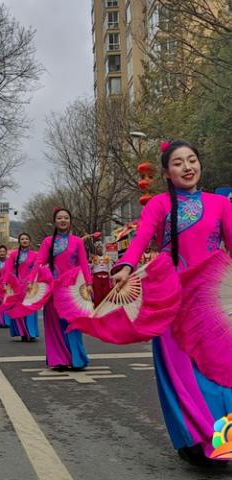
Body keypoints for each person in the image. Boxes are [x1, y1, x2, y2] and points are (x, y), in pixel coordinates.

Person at [111, 140, 232, 467]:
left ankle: (222, 439)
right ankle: (193, 440)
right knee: (180, 374)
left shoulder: (220, 204)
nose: (187, 167)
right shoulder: (160, 204)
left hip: (211, 302)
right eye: (178, 163)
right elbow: (141, 238)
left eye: (192, 160)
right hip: (171, 299)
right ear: (166, 172)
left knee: (219, 371)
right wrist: (126, 266)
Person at [36, 209, 92, 370]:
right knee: (54, 324)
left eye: (66, 218)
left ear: (70, 221)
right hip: (53, 289)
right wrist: (43, 276)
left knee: (73, 323)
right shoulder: (47, 242)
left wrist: (88, 284)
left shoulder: (77, 242)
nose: (63, 220)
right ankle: (59, 359)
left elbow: (83, 264)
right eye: (59, 218)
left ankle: (76, 359)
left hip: (73, 289)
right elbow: (39, 262)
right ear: (54, 221)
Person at [3, 233, 39, 341]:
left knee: (30, 308)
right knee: (19, 309)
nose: (24, 240)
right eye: (22, 239)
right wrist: (7, 283)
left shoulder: (35, 255)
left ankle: (31, 333)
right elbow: (8, 270)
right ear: (19, 241)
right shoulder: (14, 255)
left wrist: (32, 281)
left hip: (30, 285)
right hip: (17, 286)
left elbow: (36, 269)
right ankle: (22, 332)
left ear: (30, 241)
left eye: (26, 239)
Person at [90, 241, 112, 307]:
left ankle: (106, 309)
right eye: (97, 247)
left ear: (102, 248)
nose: (99, 249)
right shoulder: (94, 258)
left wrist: (111, 277)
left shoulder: (107, 257)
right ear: (96, 249)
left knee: (106, 294)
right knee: (97, 294)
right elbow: (90, 268)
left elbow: (110, 268)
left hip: (106, 278)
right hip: (97, 278)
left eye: (100, 247)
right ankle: (97, 308)